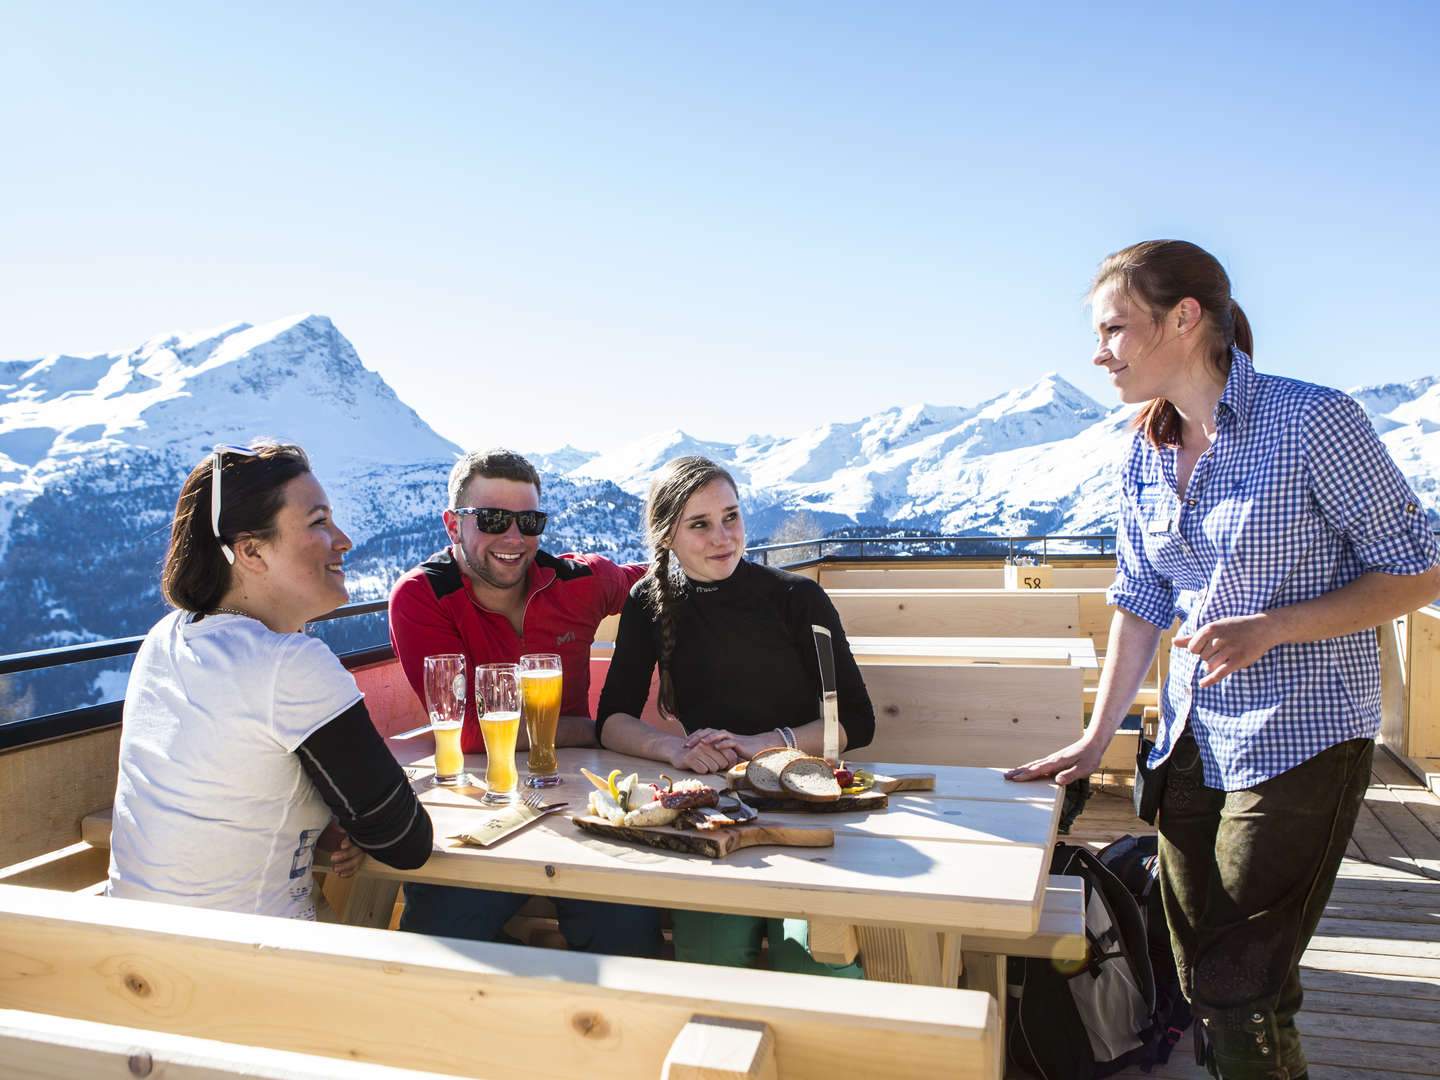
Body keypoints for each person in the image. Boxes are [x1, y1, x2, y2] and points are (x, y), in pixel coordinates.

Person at [1006, 241, 1440, 1080]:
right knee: (1199, 961)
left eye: (1114, 329)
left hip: (1302, 735)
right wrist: (1098, 740)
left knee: (1238, 978)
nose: (1099, 352)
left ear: (1184, 317)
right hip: (1190, 738)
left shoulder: (1314, 420)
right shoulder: (1145, 448)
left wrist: (1276, 625)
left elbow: (1419, 565)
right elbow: (1139, 601)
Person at [108, 442, 433, 920]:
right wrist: (362, 819)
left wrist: (343, 816)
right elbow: (406, 843)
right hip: (252, 969)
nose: (343, 540)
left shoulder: (165, 639)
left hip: (128, 958)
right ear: (251, 551)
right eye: (319, 522)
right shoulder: (290, 664)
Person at [597, 455, 875, 974]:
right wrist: (672, 748)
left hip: (805, 807)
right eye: (699, 525)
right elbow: (611, 718)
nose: (722, 537)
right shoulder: (648, 603)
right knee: (709, 954)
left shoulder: (797, 598)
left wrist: (761, 745)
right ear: (667, 538)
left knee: (811, 956)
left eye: (731, 517)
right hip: (715, 815)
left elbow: (856, 722)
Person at [388, 448, 661, 955]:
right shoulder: (423, 596)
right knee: (439, 937)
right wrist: (592, 729)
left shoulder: (580, 581)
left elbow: (666, 582)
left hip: (583, 800)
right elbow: (469, 731)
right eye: (493, 519)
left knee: (627, 931)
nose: (514, 538)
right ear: (453, 526)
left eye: (529, 521)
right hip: (483, 802)